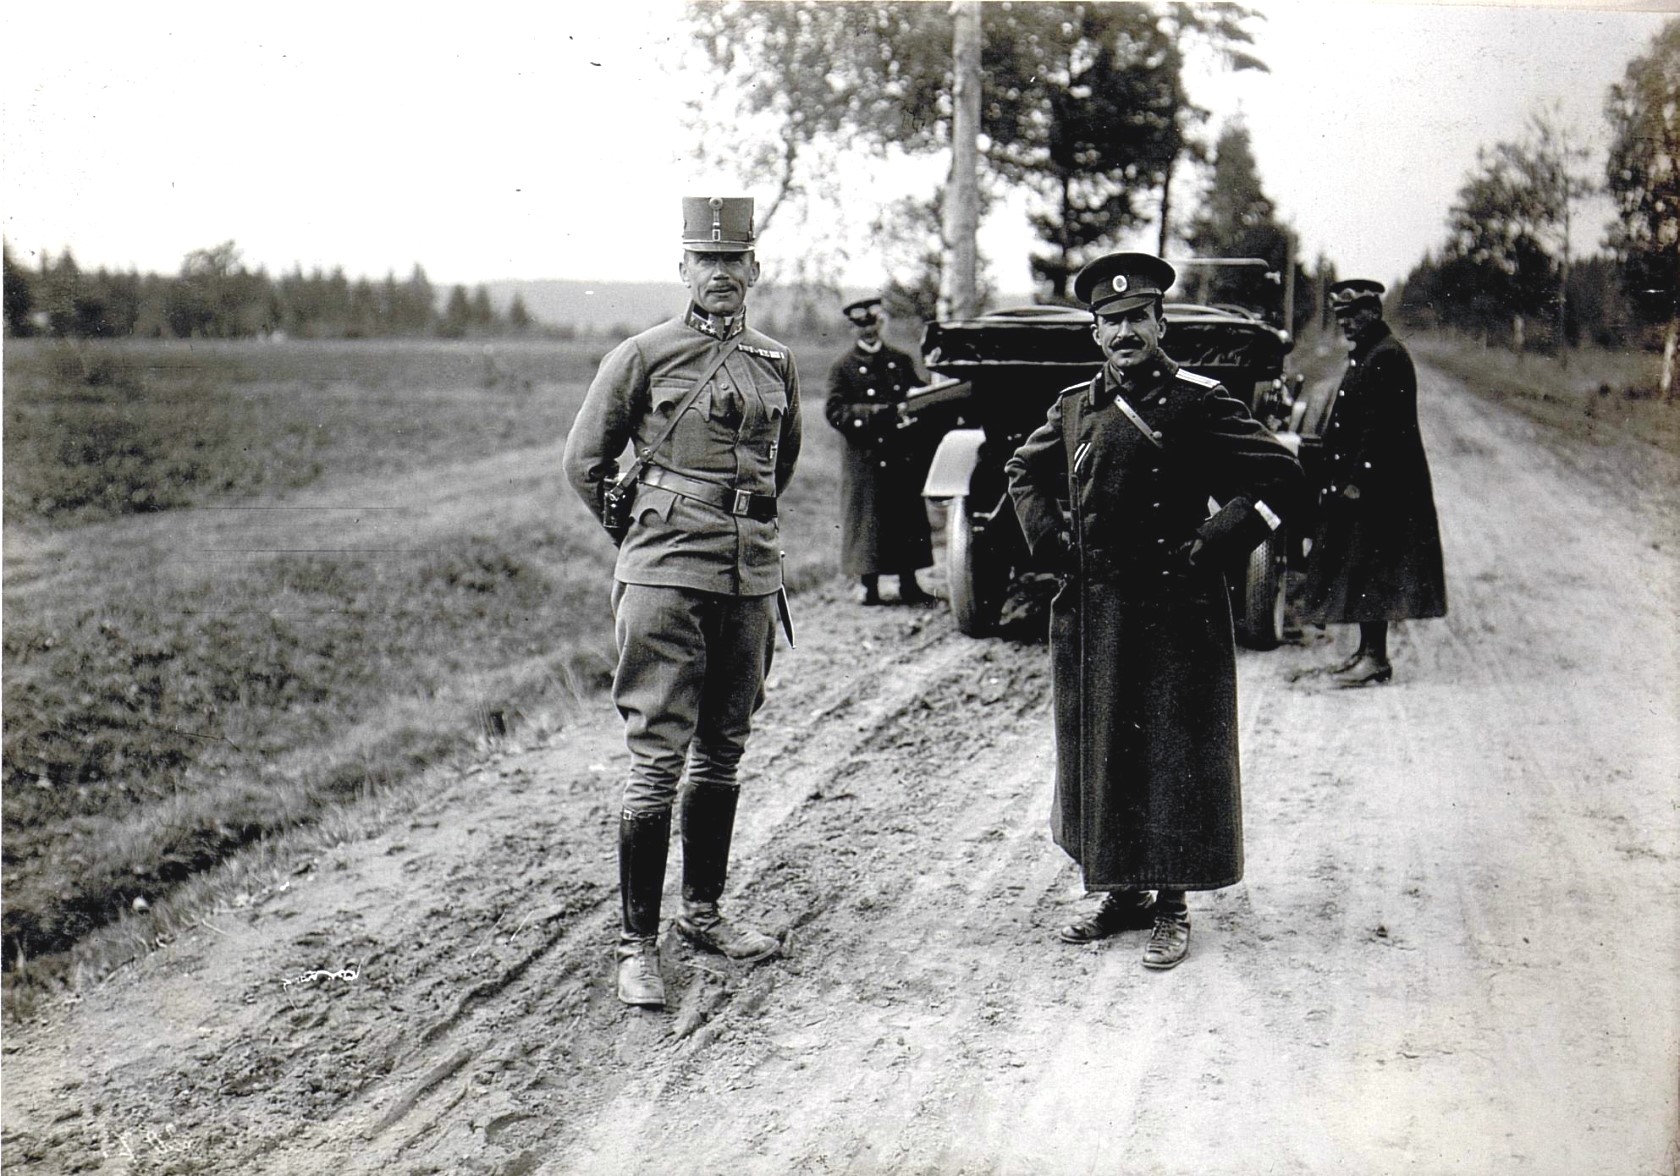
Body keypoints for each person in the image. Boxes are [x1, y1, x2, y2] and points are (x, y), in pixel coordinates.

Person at [1005, 252, 1302, 970]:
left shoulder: (1199, 401)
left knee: (1172, 753)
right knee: (1106, 750)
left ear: (1160, 323)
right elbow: (1023, 470)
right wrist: (1054, 543)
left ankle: (1172, 904)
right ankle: (1123, 890)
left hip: (1175, 610)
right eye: (1111, 322)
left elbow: (1282, 477)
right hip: (1098, 610)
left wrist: (1213, 542)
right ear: (1096, 334)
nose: (1125, 332)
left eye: (1138, 317)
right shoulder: (1074, 406)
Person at [562, 196, 802, 1008]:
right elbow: (585, 461)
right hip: (665, 576)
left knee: (724, 748)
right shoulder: (643, 355)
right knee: (657, 757)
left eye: (734, 261)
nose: (721, 274)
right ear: (684, 270)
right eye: (707, 261)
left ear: (754, 270)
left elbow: (780, 466)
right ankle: (636, 946)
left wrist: (740, 529)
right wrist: (642, 539)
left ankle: (703, 914)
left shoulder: (775, 361)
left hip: (749, 577)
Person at [1297, 279, 1447, 686]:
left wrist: (1356, 482)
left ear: (1374, 312)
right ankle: (1366, 652)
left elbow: (1381, 430)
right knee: (1362, 566)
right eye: (1341, 316)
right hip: (1371, 483)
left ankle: (1376, 658)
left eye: (1354, 315)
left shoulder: (1387, 355)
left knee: (1374, 569)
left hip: (1382, 486)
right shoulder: (1368, 353)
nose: (1346, 323)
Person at [824, 296, 936, 605]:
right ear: (852, 329)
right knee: (868, 522)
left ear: (880, 324)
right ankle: (867, 584)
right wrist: (875, 414)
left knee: (905, 518)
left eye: (873, 324)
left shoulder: (900, 360)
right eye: (861, 326)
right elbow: (835, 411)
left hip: (900, 455)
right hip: (866, 458)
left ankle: (909, 583)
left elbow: (918, 396)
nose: (868, 331)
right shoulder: (843, 367)